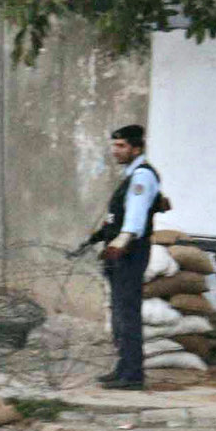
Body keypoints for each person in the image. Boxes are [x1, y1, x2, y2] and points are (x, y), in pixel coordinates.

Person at [92, 124, 163, 391]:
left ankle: (132, 374)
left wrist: (121, 242)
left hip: (130, 252)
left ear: (136, 148)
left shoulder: (142, 177)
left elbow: (135, 216)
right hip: (121, 251)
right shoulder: (131, 175)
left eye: (121, 146)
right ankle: (123, 367)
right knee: (120, 311)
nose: (115, 151)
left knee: (127, 312)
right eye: (114, 145)